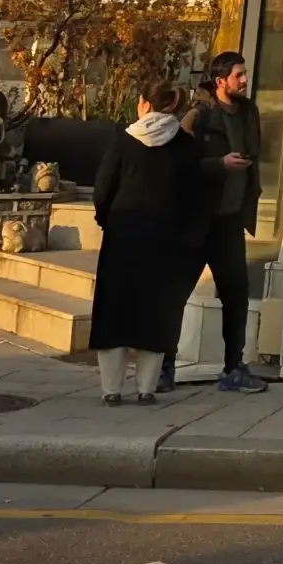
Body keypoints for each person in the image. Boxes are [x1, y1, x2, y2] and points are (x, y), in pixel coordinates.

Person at [88, 81, 202, 405]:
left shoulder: (124, 141)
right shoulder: (186, 146)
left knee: (114, 309)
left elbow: (102, 189)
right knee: (156, 309)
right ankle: (146, 388)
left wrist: (106, 219)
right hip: (166, 237)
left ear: (145, 105)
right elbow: (195, 197)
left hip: (123, 234)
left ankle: (111, 389)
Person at [173, 50, 268, 395]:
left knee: (236, 295)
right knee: (176, 293)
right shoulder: (198, 117)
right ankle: (164, 366)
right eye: (238, 75)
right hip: (197, 219)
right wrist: (218, 164)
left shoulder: (249, 112)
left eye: (245, 73)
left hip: (230, 221)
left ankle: (234, 368)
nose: (244, 80)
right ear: (220, 82)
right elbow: (178, 165)